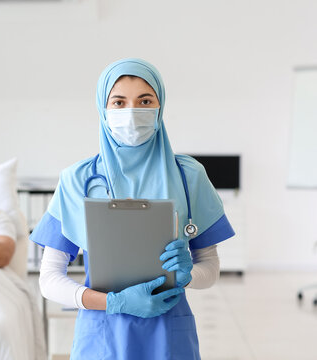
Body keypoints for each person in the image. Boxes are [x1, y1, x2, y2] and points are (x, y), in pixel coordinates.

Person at [30, 58, 235, 359]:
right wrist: (114, 303)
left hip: (168, 333)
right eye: (119, 102)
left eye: (144, 100)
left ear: (160, 106)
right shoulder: (78, 179)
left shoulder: (189, 175)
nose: (131, 112)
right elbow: (48, 279)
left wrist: (188, 275)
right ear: (103, 109)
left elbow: (211, 267)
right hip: (102, 334)